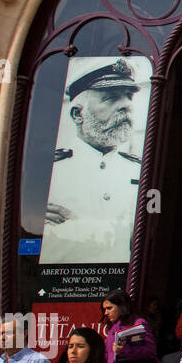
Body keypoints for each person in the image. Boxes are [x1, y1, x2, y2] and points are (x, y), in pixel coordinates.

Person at [40, 60, 143, 265]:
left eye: (128, 97)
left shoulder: (141, 170)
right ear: (78, 114)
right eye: (111, 98)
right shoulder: (47, 171)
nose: (126, 105)